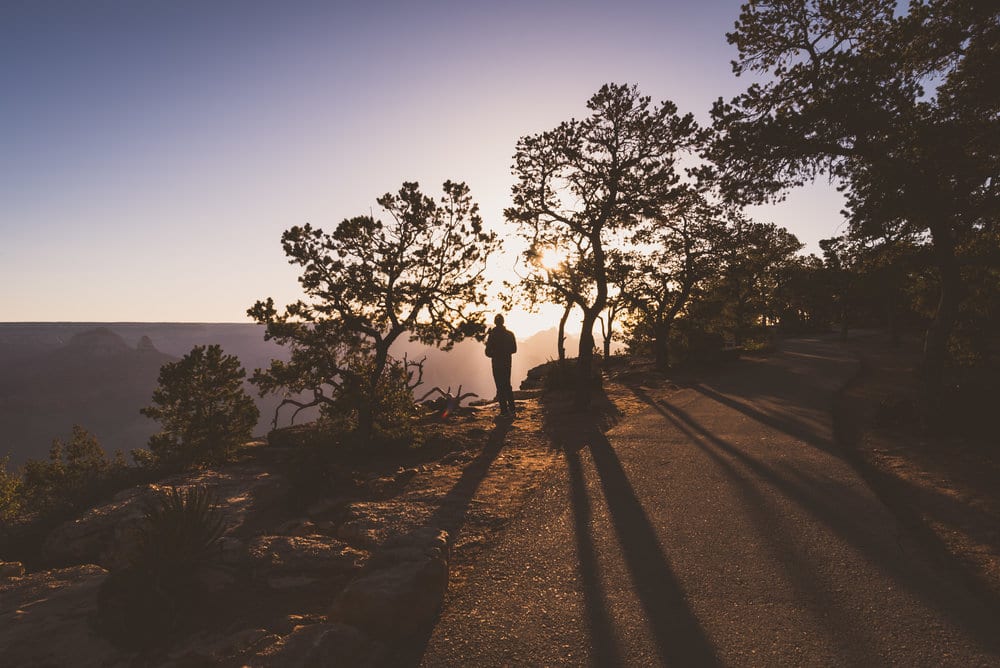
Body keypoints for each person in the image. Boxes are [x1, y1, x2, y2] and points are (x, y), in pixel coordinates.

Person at [485, 313, 517, 417]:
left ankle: (504, 411)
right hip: (507, 363)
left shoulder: (492, 335)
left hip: (496, 364)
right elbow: (514, 350)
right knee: (507, 385)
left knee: (499, 386)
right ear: (503, 322)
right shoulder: (510, 334)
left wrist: (496, 353)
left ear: (495, 322)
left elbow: (487, 352)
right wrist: (505, 352)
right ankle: (512, 409)